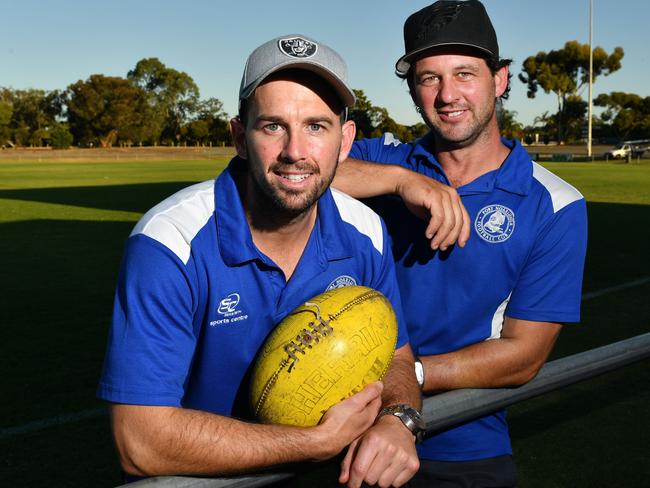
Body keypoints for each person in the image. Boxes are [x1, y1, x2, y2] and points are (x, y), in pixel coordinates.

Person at [97, 34, 422, 487]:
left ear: (345, 140)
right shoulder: (170, 241)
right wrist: (313, 442)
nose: (295, 151)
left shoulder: (365, 230)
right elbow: (140, 441)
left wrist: (398, 418)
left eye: (316, 126)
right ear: (240, 137)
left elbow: (397, 357)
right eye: (272, 126)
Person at [332, 1, 589, 486]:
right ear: (413, 90)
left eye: (465, 74)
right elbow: (298, 174)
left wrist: (407, 383)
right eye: (429, 78)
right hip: (350, 440)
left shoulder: (554, 204)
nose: (448, 94)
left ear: (500, 79)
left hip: (462, 447)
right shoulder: (384, 161)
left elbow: (523, 356)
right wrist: (400, 182)